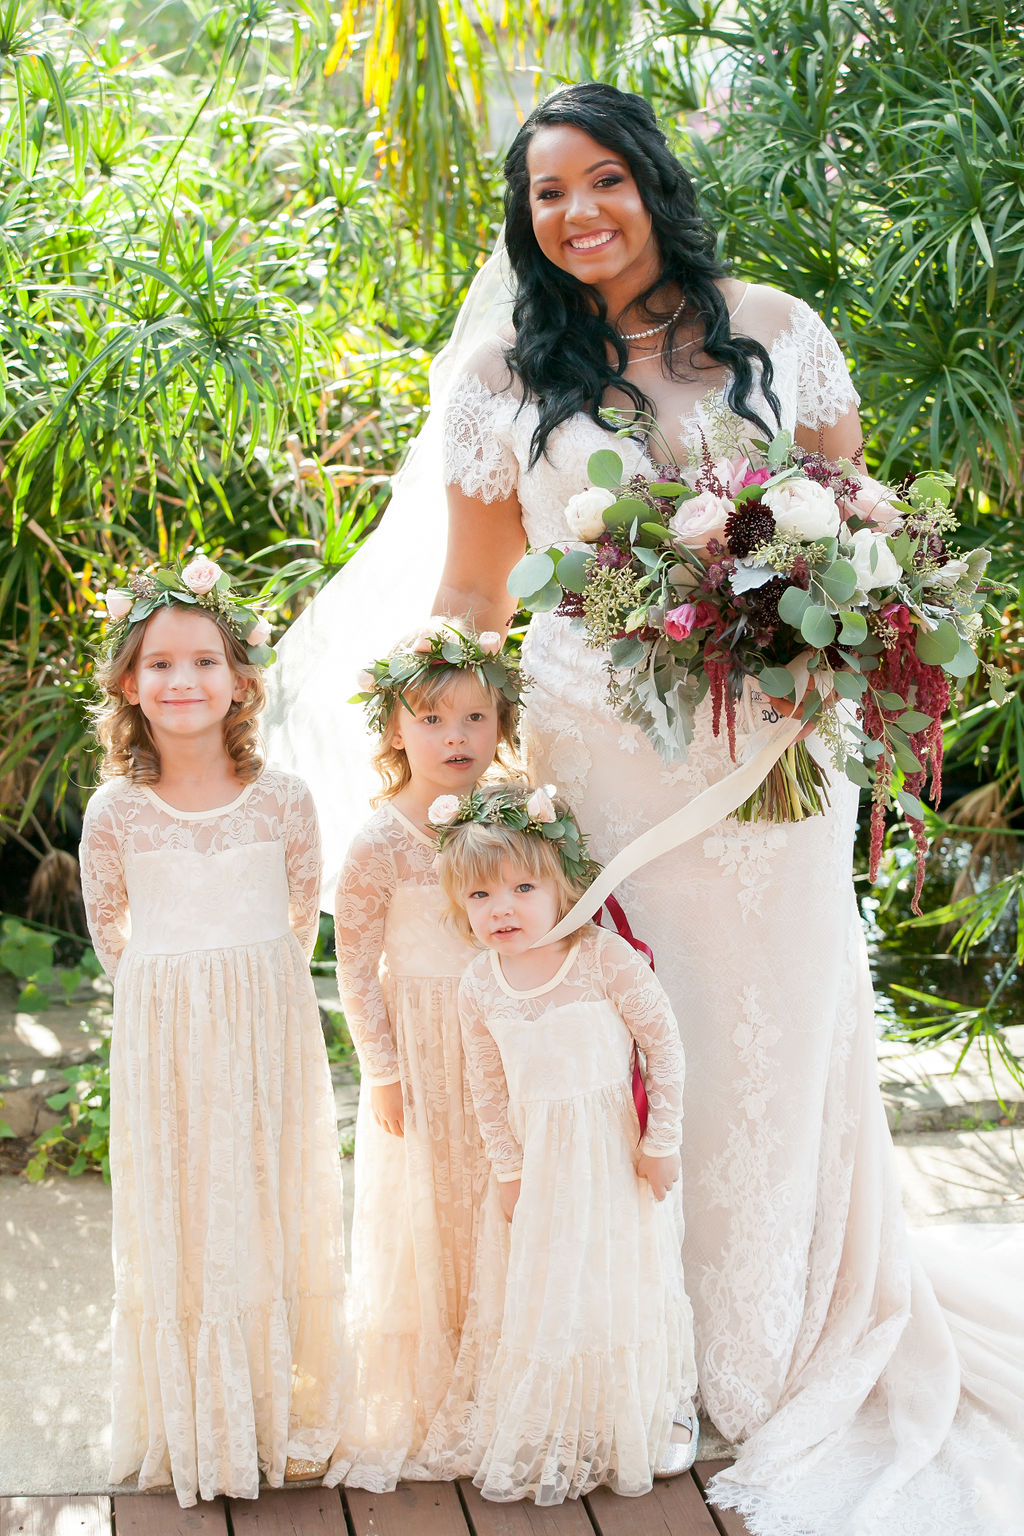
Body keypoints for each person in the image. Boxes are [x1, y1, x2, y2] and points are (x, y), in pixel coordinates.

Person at [263, 80, 1023, 1535]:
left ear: (650, 183)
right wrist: (445, 762)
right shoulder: (501, 378)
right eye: (547, 195)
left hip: (772, 759)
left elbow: (856, 517)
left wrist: (843, 636)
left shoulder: (779, 331)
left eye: (601, 180)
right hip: (597, 761)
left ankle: (775, 1342)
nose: (578, 215)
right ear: (524, 221)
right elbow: (479, 590)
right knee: (626, 1039)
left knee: (776, 1028)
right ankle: (637, 1352)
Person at [79, 560, 346, 1507]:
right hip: (167, 1039)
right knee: (184, 1209)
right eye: (159, 663)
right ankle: (194, 1418)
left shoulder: (283, 799)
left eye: (204, 660)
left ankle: (278, 1413)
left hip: (265, 1025)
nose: (182, 680)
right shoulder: (114, 812)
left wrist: (249, 996)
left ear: (242, 679)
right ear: (126, 683)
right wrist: (169, 1000)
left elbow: (301, 907)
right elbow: (108, 924)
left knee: (267, 1199)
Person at [416, 783, 697, 1504]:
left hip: (611, 1156)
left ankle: (647, 1404)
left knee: (621, 1276)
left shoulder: (602, 958)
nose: (500, 908)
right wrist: (507, 1168)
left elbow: (663, 1046)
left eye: (520, 887)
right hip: (537, 1164)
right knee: (546, 1285)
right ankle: (560, 1412)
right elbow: (484, 1081)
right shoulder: (480, 984)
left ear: (563, 883)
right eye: (479, 897)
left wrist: (661, 1141)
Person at [326, 624, 523, 1491]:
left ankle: (508, 1372)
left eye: (475, 717)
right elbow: (354, 965)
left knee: (504, 1203)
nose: (455, 738)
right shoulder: (378, 841)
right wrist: (384, 1069)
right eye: (433, 719)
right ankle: (440, 1383)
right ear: (395, 731)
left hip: (508, 1040)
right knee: (435, 1206)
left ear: (501, 726)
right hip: (427, 1046)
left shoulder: (519, 815)